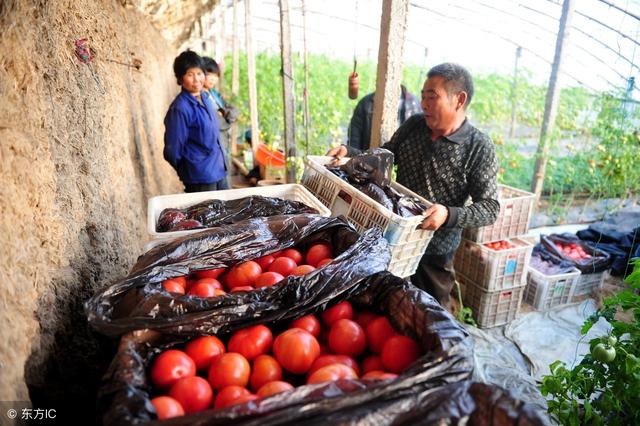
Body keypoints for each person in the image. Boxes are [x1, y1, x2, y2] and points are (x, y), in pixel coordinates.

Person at [328, 63, 499, 307]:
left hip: (434, 251)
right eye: (423, 96)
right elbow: (384, 155)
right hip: (393, 236)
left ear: (459, 100)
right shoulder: (415, 125)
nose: (424, 104)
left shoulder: (478, 147)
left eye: (433, 97)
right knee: (384, 303)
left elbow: (490, 208)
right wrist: (351, 153)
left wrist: (448, 214)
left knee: (427, 313)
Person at [164, 50, 229, 193]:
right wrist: (190, 168)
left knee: (226, 211)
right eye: (190, 75)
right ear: (180, 79)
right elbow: (172, 151)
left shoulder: (205, 98)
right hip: (200, 177)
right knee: (206, 214)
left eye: (199, 73)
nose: (197, 79)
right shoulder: (180, 108)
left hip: (219, 168)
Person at [347, 84, 422, 151]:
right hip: (367, 159)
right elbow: (354, 139)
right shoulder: (366, 103)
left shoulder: (414, 104)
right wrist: (354, 158)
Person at [202, 56, 239, 163]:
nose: (213, 79)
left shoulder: (214, 94)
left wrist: (223, 113)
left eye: (216, 75)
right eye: (209, 75)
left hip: (223, 142)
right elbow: (218, 123)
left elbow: (234, 110)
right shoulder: (200, 97)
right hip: (213, 145)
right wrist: (226, 118)